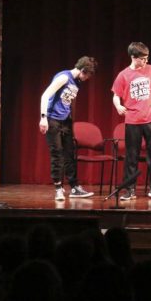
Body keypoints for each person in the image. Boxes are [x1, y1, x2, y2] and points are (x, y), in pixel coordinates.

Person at [112, 42, 151, 201]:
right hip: (132, 120)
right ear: (133, 57)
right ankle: (129, 190)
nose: (145, 61)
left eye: (147, 58)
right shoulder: (123, 75)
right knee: (131, 156)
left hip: (150, 119)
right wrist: (118, 105)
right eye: (142, 59)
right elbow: (116, 94)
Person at [38, 56, 97, 201]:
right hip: (52, 120)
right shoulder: (64, 78)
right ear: (83, 71)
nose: (88, 78)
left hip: (65, 121)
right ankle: (58, 188)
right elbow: (45, 95)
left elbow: (66, 100)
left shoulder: (76, 82)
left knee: (70, 153)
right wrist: (43, 117)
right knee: (57, 154)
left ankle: (74, 187)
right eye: (88, 75)